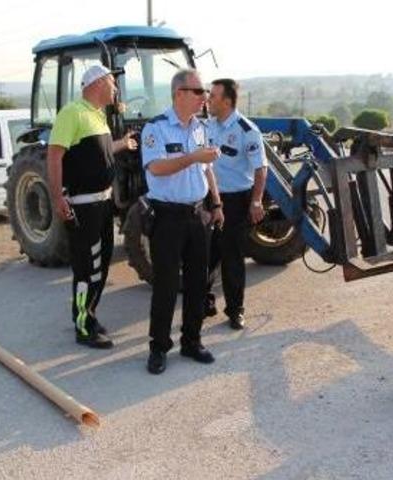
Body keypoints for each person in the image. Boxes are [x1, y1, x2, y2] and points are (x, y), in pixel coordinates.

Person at [48, 65, 137, 349]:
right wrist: (58, 197)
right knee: (86, 269)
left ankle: (90, 314)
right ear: (97, 83)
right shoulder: (71, 113)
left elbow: (99, 153)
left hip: (103, 205)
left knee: (101, 266)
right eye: (112, 82)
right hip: (83, 207)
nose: (115, 88)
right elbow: (54, 156)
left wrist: (123, 143)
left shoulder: (97, 116)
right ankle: (83, 326)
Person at [141, 68, 223, 374]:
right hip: (168, 216)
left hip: (197, 214)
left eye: (204, 93)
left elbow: (207, 169)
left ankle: (192, 341)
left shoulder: (199, 128)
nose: (204, 97)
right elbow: (157, 168)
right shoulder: (157, 129)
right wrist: (193, 158)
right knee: (165, 285)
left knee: (197, 282)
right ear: (179, 94)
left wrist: (216, 202)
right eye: (199, 92)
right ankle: (158, 347)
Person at [204, 78, 267, 329]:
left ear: (227, 101)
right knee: (204, 254)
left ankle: (235, 310)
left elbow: (261, 170)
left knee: (231, 257)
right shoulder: (207, 126)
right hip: (209, 198)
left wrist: (256, 202)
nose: (208, 100)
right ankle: (205, 302)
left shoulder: (246, 130)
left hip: (234, 201)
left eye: (213, 97)